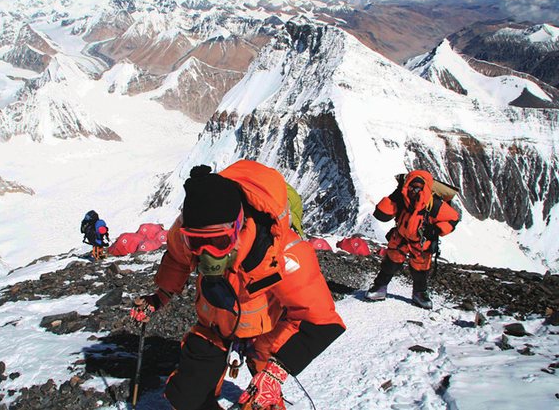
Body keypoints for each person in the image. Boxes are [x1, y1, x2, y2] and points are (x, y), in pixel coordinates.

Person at [130, 161, 345, 410]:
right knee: (187, 397)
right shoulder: (186, 228)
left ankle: (265, 381)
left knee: (261, 399)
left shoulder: (284, 254)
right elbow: (178, 260)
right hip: (214, 324)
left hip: (268, 329)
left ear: (239, 224)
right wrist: (159, 298)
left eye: (219, 240)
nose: (207, 254)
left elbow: (322, 320)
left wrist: (277, 372)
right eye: (197, 243)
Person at [365, 170, 459, 309]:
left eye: (418, 188)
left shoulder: (433, 204)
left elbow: (453, 218)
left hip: (422, 242)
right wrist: (395, 196)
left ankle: (420, 293)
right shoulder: (401, 198)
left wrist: (435, 230)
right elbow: (382, 214)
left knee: (421, 269)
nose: (414, 191)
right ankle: (380, 287)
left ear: (424, 188)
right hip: (400, 238)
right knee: (390, 264)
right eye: (411, 187)